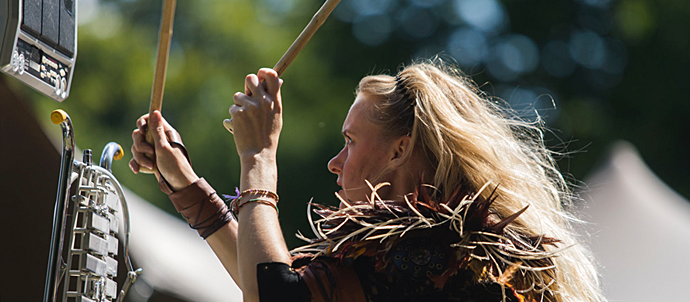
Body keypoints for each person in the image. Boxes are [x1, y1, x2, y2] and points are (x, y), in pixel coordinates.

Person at [130, 58, 605, 302]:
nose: (336, 163)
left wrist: (259, 156)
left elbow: (276, 295)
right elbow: (274, 285)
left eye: (351, 142)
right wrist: (185, 182)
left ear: (400, 149)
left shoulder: (438, 249)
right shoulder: (423, 245)